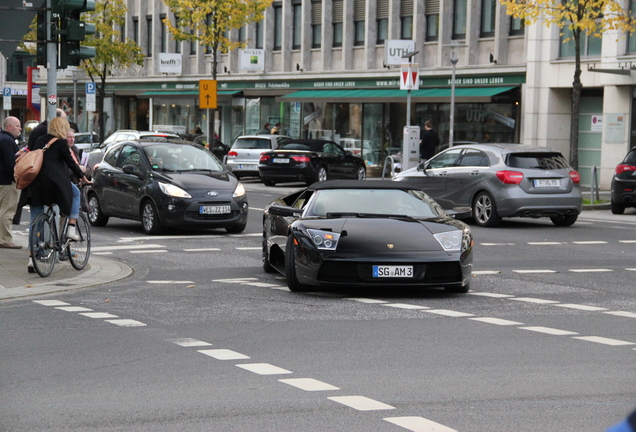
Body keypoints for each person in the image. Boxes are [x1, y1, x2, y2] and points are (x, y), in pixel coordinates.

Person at [24, 118, 90, 271]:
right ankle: (71, 228)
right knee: (75, 193)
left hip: (37, 184)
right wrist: (83, 177)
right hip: (55, 184)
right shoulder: (61, 143)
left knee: (35, 220)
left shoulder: (40, 140)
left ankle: (31, 258)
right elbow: (71, 163)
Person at [0, 116, 22, 249]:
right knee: (7, 211)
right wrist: (17, 179)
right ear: (9, 127)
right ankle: (5, 239)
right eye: (17, 125)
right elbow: (10, 164)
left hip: (2, 180)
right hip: (8, 182)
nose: (20, 128)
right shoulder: (8, 141)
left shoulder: (2, 139)